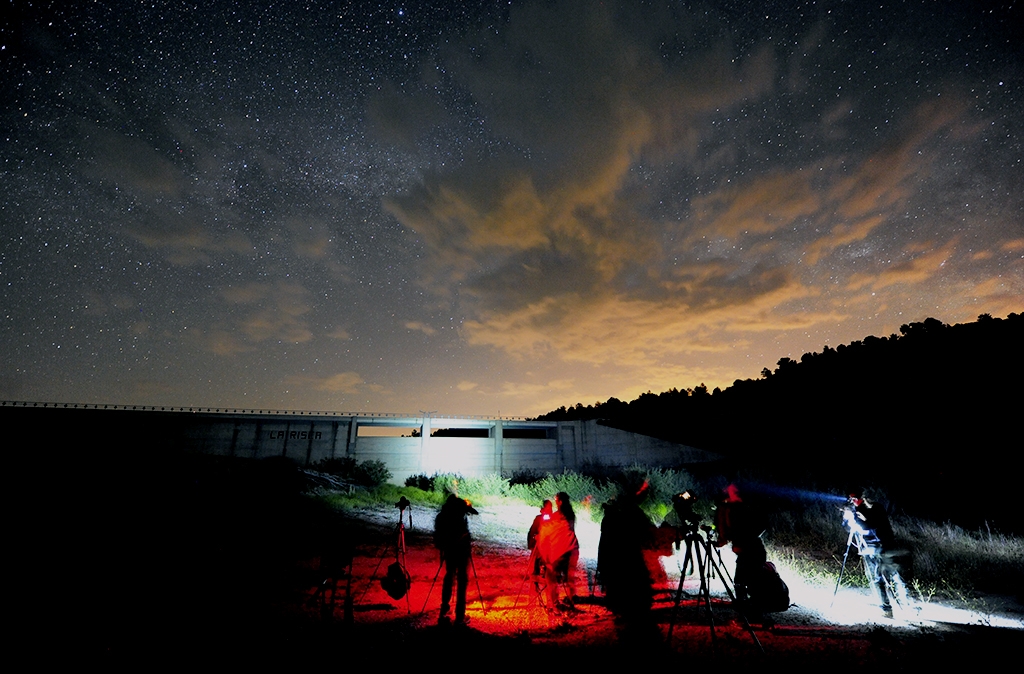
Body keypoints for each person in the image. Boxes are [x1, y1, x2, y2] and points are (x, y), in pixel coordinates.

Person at [843, 492, 907, 618]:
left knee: (894, 575)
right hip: (868, 548)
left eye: (855, 498)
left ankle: (906, 605)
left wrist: (856, 517)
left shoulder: (875, 508)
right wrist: (847, 518)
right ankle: (886, 608)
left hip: (884, 545)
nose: (853, 501)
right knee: (876, 579)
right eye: (851, 499)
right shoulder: (855, 510)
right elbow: (849, 528)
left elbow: (870, 525)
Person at [714, 484, 767, 611]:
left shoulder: (731, 510)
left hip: (747, 550)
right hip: (755, 548)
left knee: (742, 581)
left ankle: (747, 611)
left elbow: (725, 535)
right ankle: (753, 609)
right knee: (751, 580)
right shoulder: (748, 507)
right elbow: (763, 525)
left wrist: (734, 538)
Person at [433, 494, 477, 626]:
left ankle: (444, 609)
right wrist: (466, 537)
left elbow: (439, 533)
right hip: (461, 551)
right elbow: (461, 533)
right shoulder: (459, 516)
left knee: (449, 576)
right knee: (462, 581)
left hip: (448, 551)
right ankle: (460, 616)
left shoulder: (442, 515)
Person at [538, 492, 580, 609]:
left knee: (551, 576)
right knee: (569, 578)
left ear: (560, 502)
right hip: (573, 549)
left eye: (556, 500)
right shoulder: (571, 515)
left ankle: (554, 604)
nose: (555, 502)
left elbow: (547, 531)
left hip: (560, 550)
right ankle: (571, 600)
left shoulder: (556, 516)